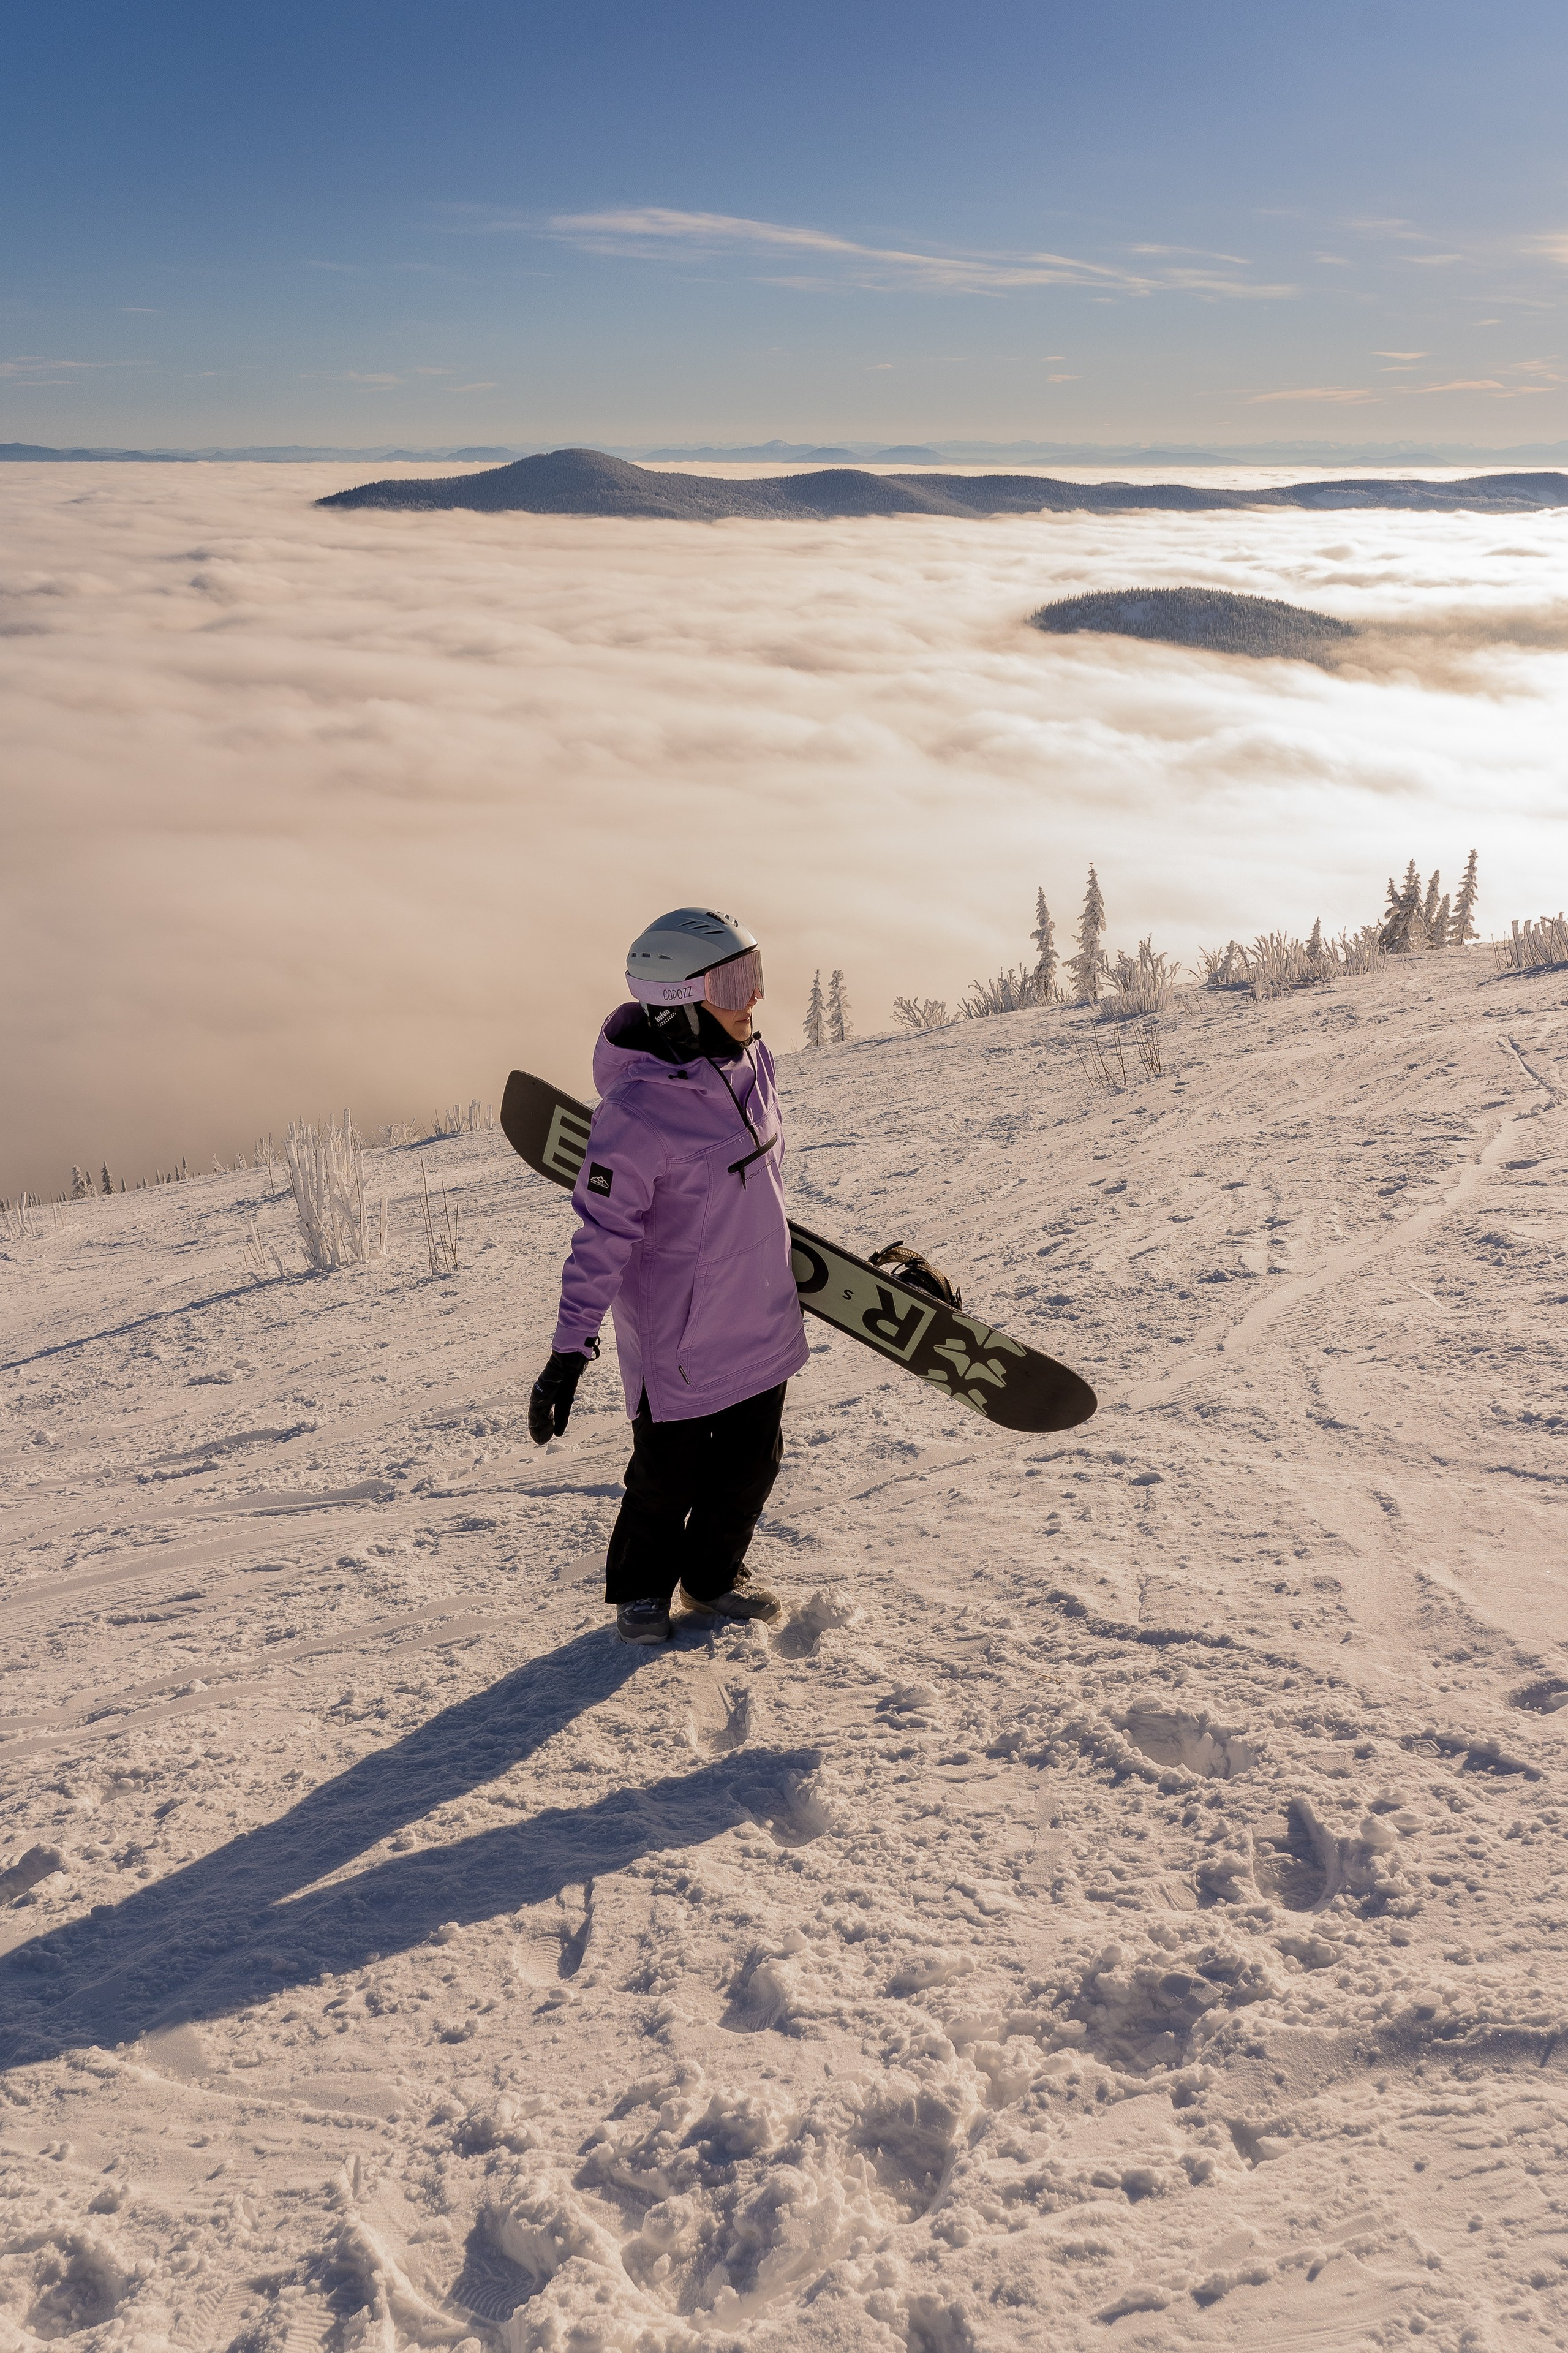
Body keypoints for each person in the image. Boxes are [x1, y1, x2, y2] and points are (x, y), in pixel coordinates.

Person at [527, 908, 809, 1643]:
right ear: (679, 1003)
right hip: (679, 1337)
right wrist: (567, 1352)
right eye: (732, 983)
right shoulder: (635, 1115)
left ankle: (712, 1577)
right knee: (666, 1480)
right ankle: (643, 1588)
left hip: (761, 1317)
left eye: (753, 975)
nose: (753, 999)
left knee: (752, 1469)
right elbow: (601, 1237)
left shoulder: (753, 1064)